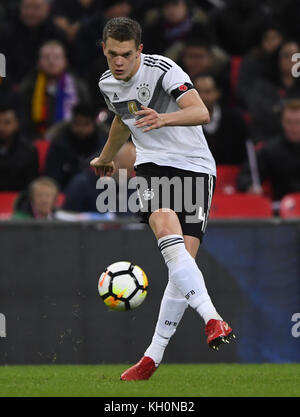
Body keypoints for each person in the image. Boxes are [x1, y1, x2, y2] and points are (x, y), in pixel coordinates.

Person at [90, 17, 235, 381]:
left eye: (125, 54)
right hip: (153, 166)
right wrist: (107, 157)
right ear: (104, 50)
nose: (118, 62)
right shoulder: (107, 84)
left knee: (180, 264)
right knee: (166, 228)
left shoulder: (164, 69)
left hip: (197, 167)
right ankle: (213, 319)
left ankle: (152, 356)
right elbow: (123, 120)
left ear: (139, 50)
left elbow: (201, 111)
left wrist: (164, 119)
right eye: (111, 55)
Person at [18, 40, 91, 140]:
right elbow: (22, 121)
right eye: (46, 57)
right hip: (35, 140)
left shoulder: (78, 87)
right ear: (38, 62)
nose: (51, 62)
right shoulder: (28, 88)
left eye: (56, 57)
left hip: (71, 140)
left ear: (65, 61)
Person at [237, 99, 300, 202]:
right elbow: (246, 175)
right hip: (281, 208)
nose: (293, 127)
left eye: (298, 122)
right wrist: (250, 186)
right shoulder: (272, 150)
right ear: (282, 122)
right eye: (288, 122)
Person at [44, 102, 107, 190]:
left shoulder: (105, 146)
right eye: (77, 124)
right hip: (64, 193)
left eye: (86, 124)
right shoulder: (59, 144)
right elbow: (51, 177)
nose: (81, 129)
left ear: (94, 125)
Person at [194, 73, 248, 164]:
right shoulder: (184, 122)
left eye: (207, 92)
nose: (202, 97)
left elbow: (244, 153)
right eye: (198, 92)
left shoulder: (234, 119)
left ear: (218, 93)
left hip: (231, 173)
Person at [0, 104, 38, 191]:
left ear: (16, 124)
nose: (1, 127)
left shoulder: (28, 151)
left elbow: (31, 185)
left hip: (18, 199)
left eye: (7, 123)